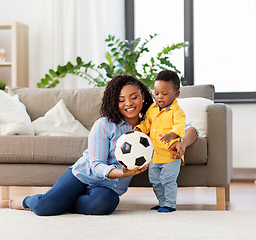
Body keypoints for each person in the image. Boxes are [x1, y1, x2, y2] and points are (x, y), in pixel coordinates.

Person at [9, 75, 155, 216]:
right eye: (121, 100)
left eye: (134, 97)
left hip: (107, 188)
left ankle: (62, 202)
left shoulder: (149, 127)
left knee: (103, 205)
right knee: (45, 208)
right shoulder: (105, 124)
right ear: (113, 102)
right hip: (83, 176)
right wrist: (122, 173)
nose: (128, 103)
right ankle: (28, 201)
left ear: (143, 96)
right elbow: (96, 164)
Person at [134, 69, 188, 213]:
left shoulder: (177, 112)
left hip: (170, 156)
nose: (159, 97)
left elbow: (180, 126)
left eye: (164, 94)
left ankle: (170, 204)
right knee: (156, 182)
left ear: (176, 94)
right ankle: (162, 202)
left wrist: (172, 134)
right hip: (154, 156)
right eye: (156, 94)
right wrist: (139, 129)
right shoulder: (152, 109)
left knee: (167, 181)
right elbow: (147, 124)